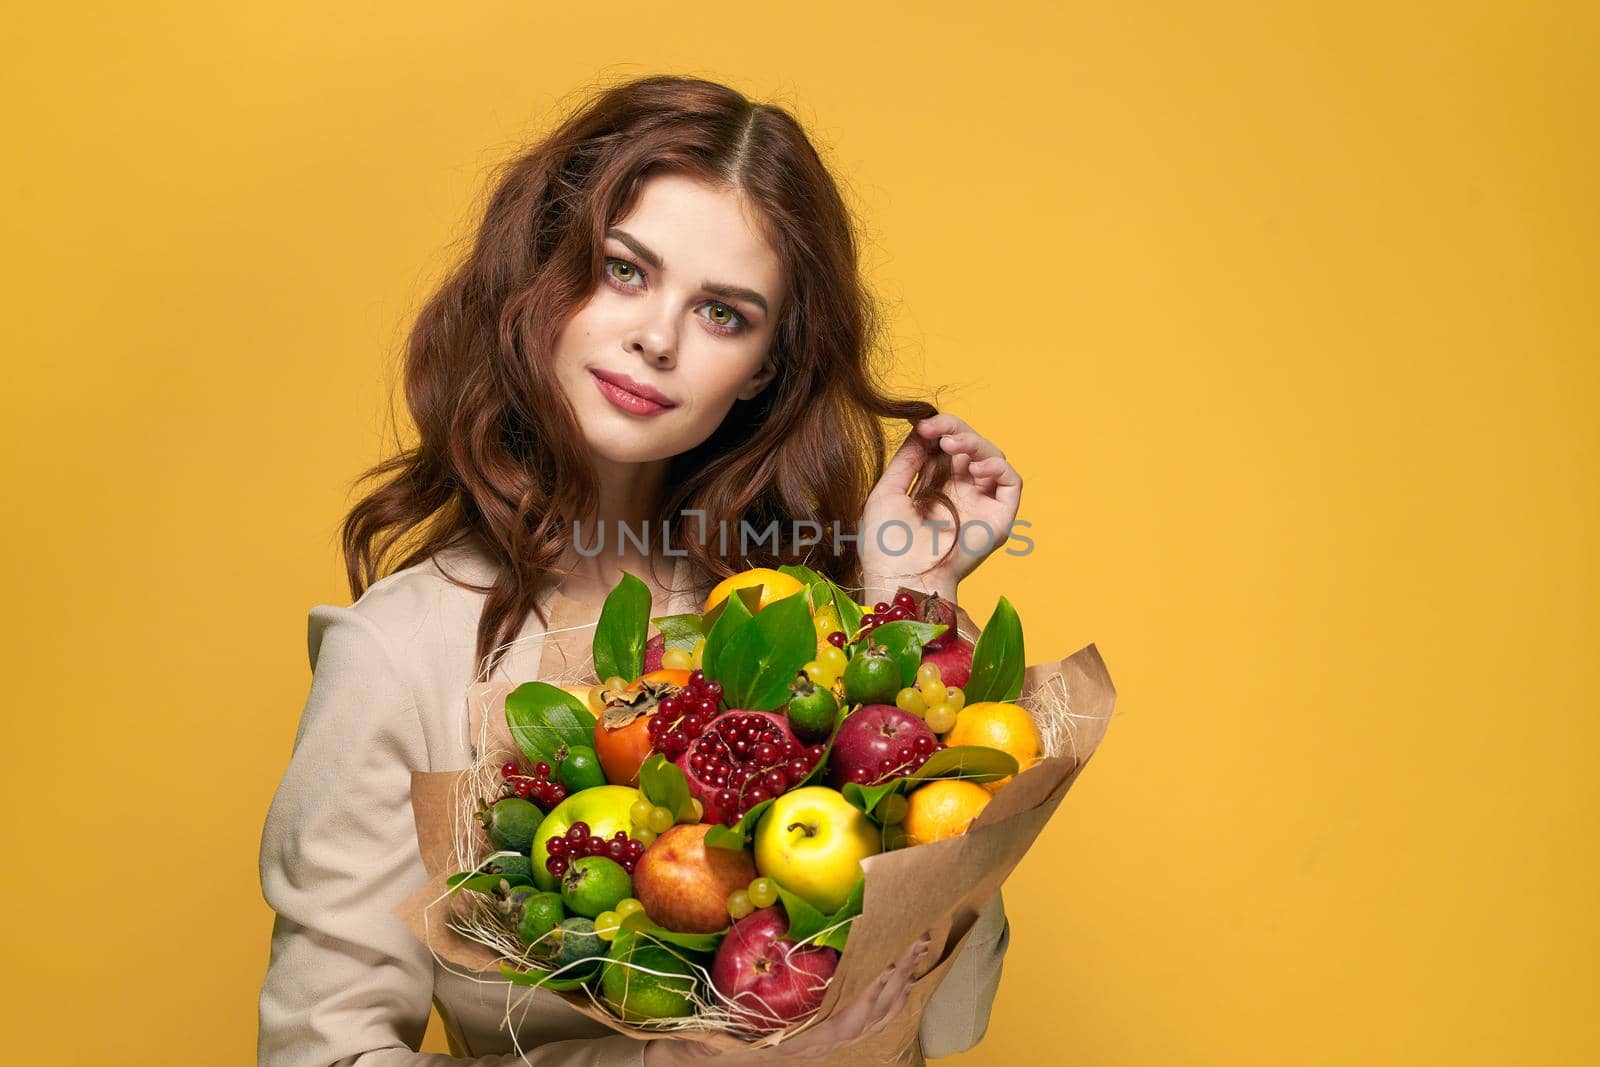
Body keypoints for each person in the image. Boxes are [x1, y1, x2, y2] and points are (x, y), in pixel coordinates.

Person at [258, 74, 1024, 1066]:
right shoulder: (402, 655)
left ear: (761, 367)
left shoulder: (803, 622)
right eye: (624, 269)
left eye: (722, 312)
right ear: (544, 275)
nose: (656, 337)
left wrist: (912, 608)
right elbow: (323, 1051)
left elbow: (949, 1010)